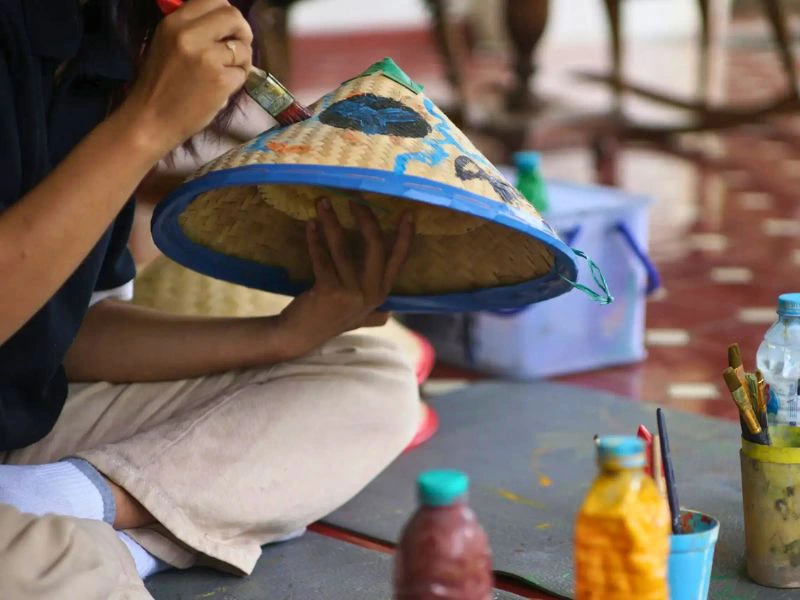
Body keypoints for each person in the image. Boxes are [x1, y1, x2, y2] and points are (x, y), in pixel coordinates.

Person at [0, 1, 419, 598]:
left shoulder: (104, 46)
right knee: (62, 572)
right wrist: (145, 125)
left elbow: (74, 331)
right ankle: (114, 534)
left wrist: (283, 337)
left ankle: (68, 505)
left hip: (25, 433)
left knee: (370, 379)